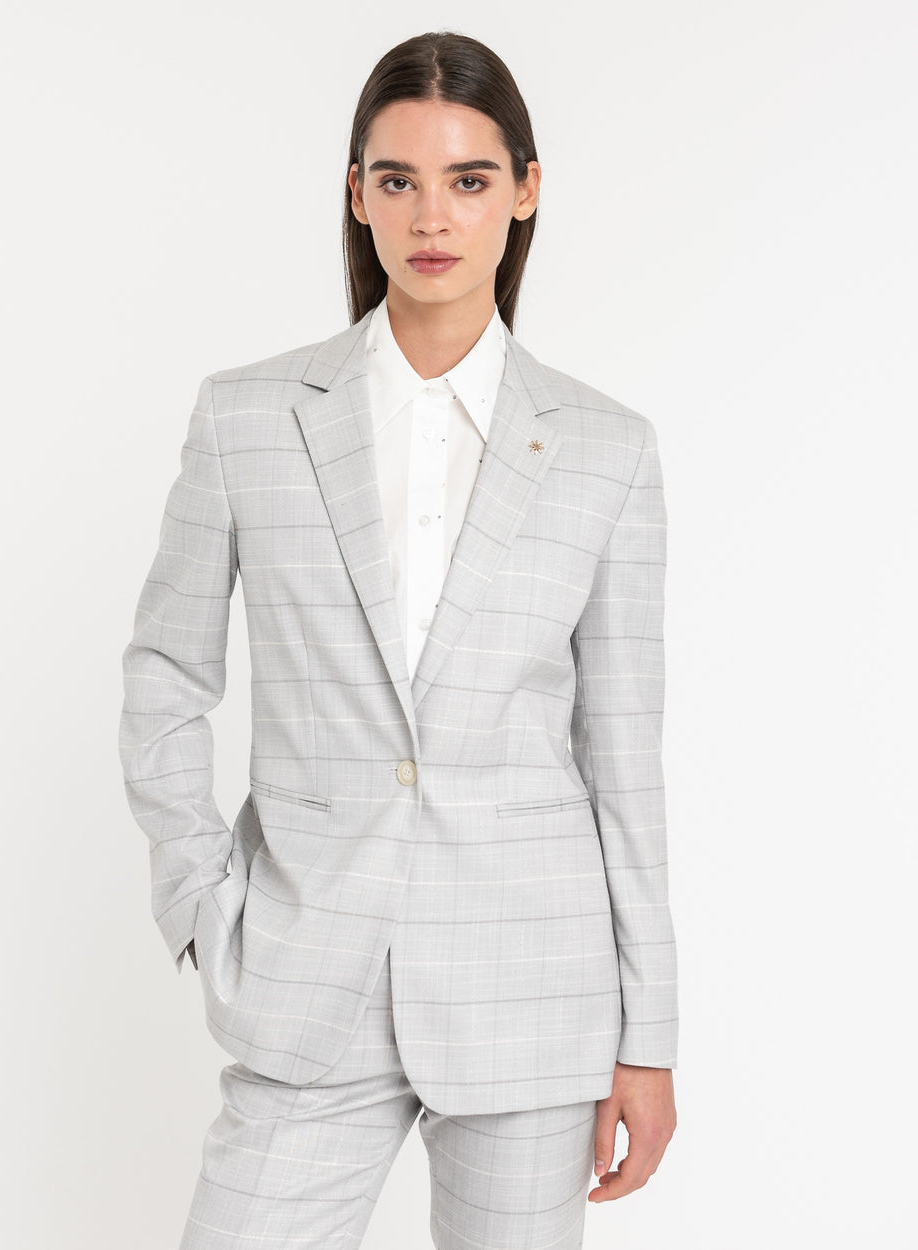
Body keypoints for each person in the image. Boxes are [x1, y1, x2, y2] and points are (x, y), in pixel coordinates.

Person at [120, 30, 678, 1250]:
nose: (432, 216)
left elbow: (621, 753)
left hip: (533, 994)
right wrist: (200, 900)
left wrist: (649, 1034)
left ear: (524, 190)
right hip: (305, 973)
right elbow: (165, 671)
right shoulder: (247, 417)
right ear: (356, 193)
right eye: (398, 179)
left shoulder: (606, 449)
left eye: (468, 179)